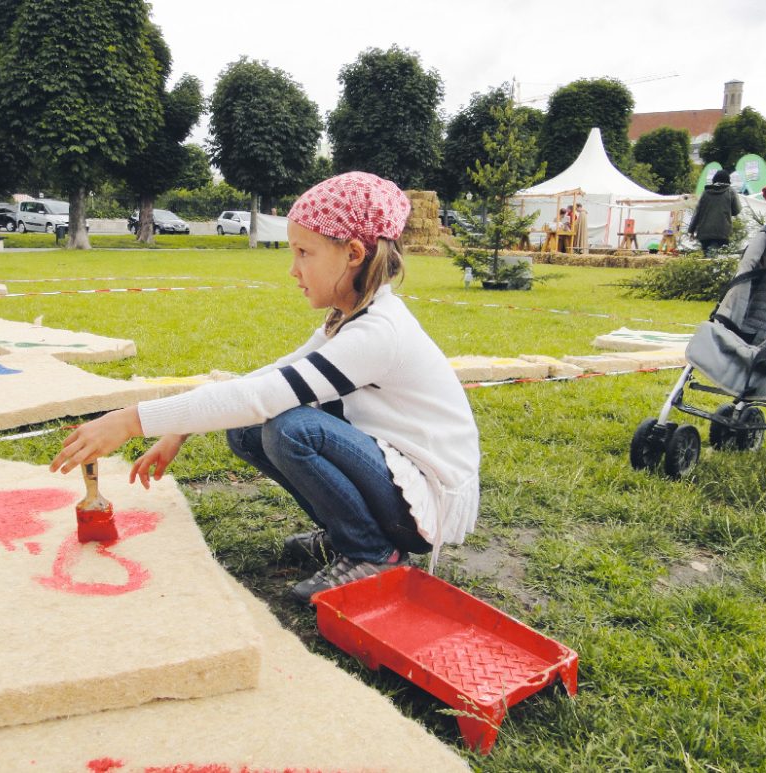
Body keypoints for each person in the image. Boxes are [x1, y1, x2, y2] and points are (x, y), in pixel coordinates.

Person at [50, 171, 481, 603]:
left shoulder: (378, 333)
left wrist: (130, 421)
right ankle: (348, 532)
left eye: (304, 252)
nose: (293, 269)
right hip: (396, 479)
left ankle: (372, 553)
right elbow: (273, 375)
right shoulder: (354, 316)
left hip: (426, 504)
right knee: (246, 430)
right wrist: (178, 429)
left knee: (292, 429)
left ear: (353, 253)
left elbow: (263, 397)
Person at [688, 169, 741, 255]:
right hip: (722, 232)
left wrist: (691, 230)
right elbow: (737, 210)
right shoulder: (730, 191)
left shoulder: (705, 193)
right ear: (728, 180)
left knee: (707, 258)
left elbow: (697, 213)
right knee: (720, 258)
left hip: (704, 233)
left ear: (714, 179)